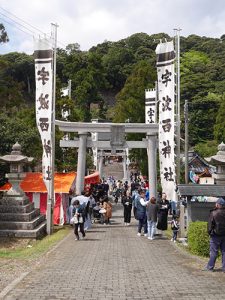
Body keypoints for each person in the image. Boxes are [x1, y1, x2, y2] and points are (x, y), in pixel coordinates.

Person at [204, 198, 225, 272]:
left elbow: (209, 226)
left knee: (213, 252)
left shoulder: (213, 213)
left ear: (218, 204)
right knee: (224, 252)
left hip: (215, 235)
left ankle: (210, 267)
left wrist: (210, 233)